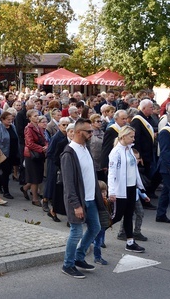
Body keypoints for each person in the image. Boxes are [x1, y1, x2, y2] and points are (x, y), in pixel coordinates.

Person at [60, 119, 103, 278]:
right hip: (77, 201)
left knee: (95, 228)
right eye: (89, 132)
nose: (92, 134)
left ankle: (79, 257)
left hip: (91, 198)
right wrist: (76, 205)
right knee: (76, 232)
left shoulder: (86, 148)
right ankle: (68, 264)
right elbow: (69, 184)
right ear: (79, 133)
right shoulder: (69, 153)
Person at [107, 125, 149, 253]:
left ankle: (130, 242)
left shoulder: (129, 149)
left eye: (133, 136)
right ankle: (96, 233)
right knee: (117, 216)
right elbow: (112, 173)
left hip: (131, 188)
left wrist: (141, 188)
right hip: (121, 189)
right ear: (123, 136)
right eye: (131, 136)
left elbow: (134, 170)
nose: (133, 139)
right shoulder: (116, 152)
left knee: (129, 215)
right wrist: (112, 191)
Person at [131, 100, 158, 208]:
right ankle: (143, 201)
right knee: (143, 179)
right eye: (150, 107)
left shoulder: (147, 119)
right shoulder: (137, 120)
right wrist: (139, 155)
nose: (152, 109)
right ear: (143, 108)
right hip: (142, 155)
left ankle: (146, 197)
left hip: (148, 153)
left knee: (148, 176)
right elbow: (136, 139)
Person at [0, 111, 20, 200]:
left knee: (7, 172)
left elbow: (16, 139)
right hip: (2, 154)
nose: (10, 121)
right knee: (5, 172)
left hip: (12, 153)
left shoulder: (13, 127)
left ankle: (0, 185)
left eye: (11, 119)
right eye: (8, 120)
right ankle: (6, 191)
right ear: (2, 119)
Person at [22, 112, 47, 206]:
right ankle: (35, 199)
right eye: (35, 116)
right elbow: (29, 143)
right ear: (29, 118)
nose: (37, 117)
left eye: (37, 115)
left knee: (38, 176)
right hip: (32, 155)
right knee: (34, 178)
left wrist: (46, 146)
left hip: (39, 154)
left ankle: (25, 188)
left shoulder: (38, 127)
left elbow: (43, 139)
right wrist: (41, 149)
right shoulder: (28, 128)